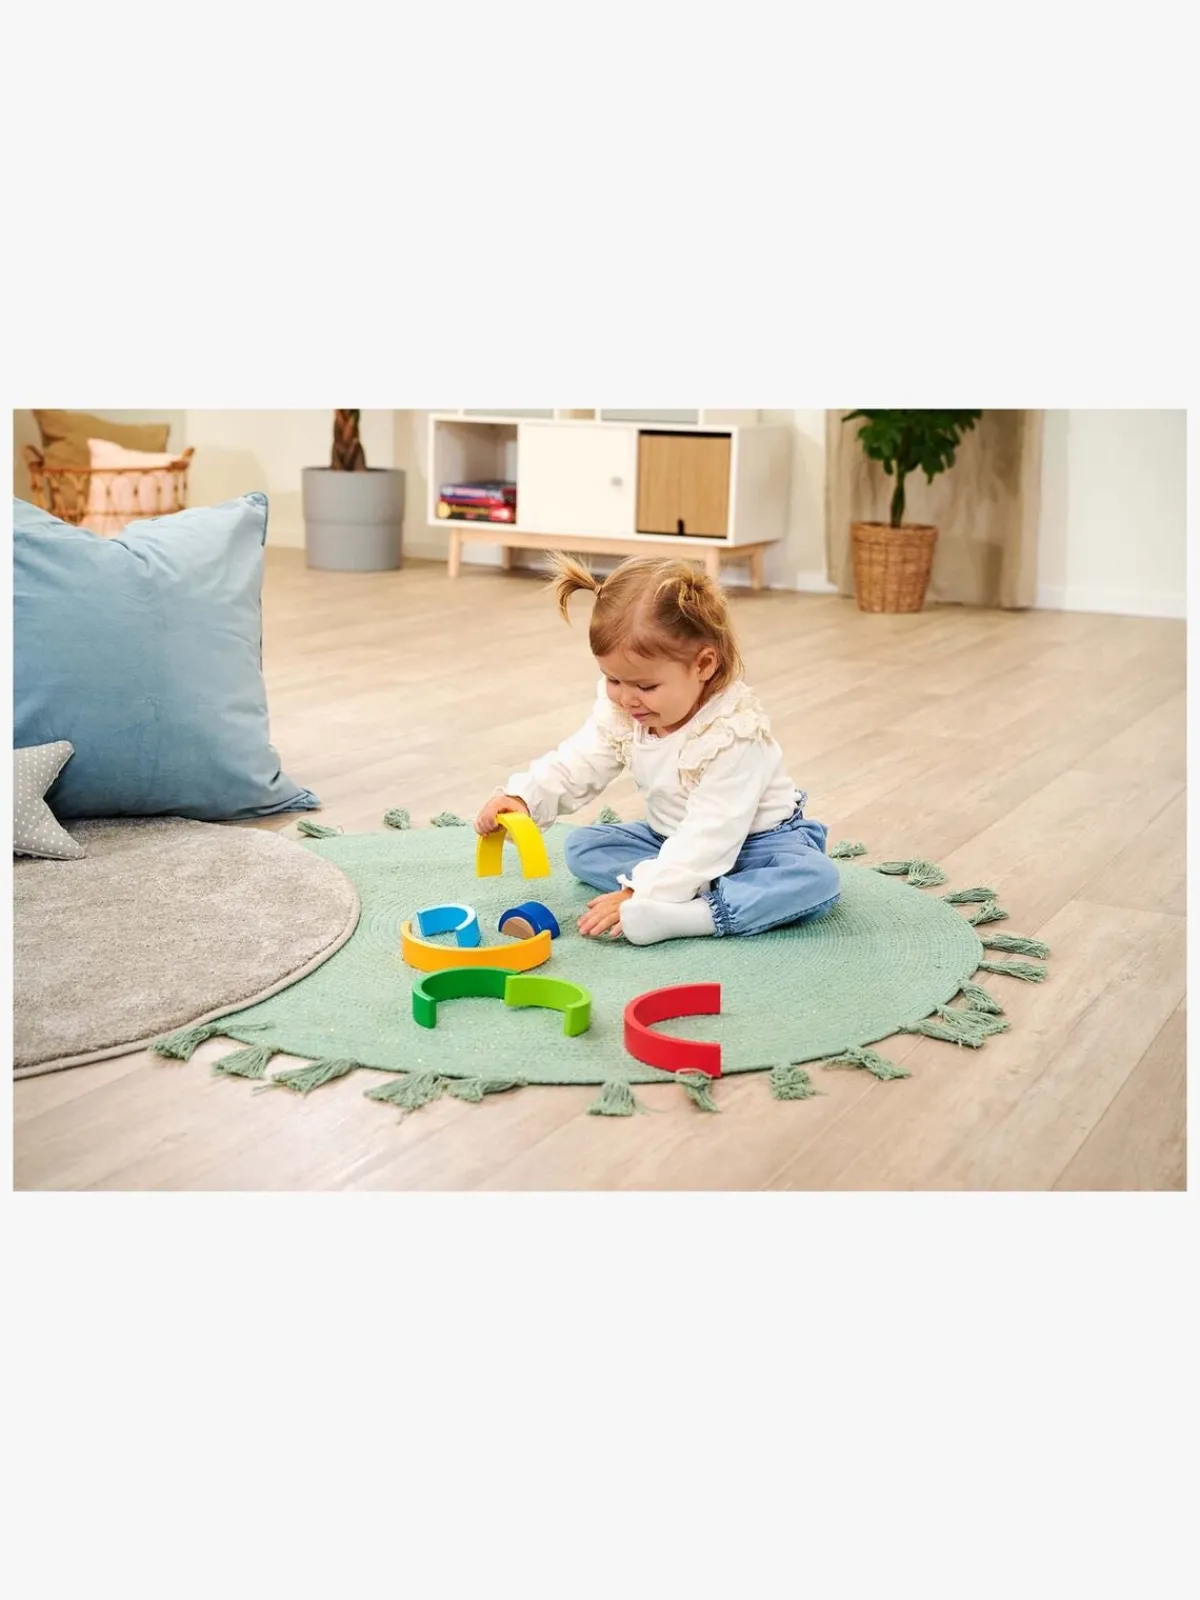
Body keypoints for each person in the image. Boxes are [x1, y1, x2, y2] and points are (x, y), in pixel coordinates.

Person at [474, 554, 840, 945]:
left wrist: (641, 890)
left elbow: (714, 830)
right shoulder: (625, 712)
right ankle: (683, 886)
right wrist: (524, 797)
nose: (627, 698)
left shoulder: (732, 733)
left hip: (762, 845)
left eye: (645, 687)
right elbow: (578, 762)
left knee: (815, 879)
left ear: (704, 665)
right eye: (613, 680)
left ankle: (694, 916)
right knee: (584, 847)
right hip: (670, 838)